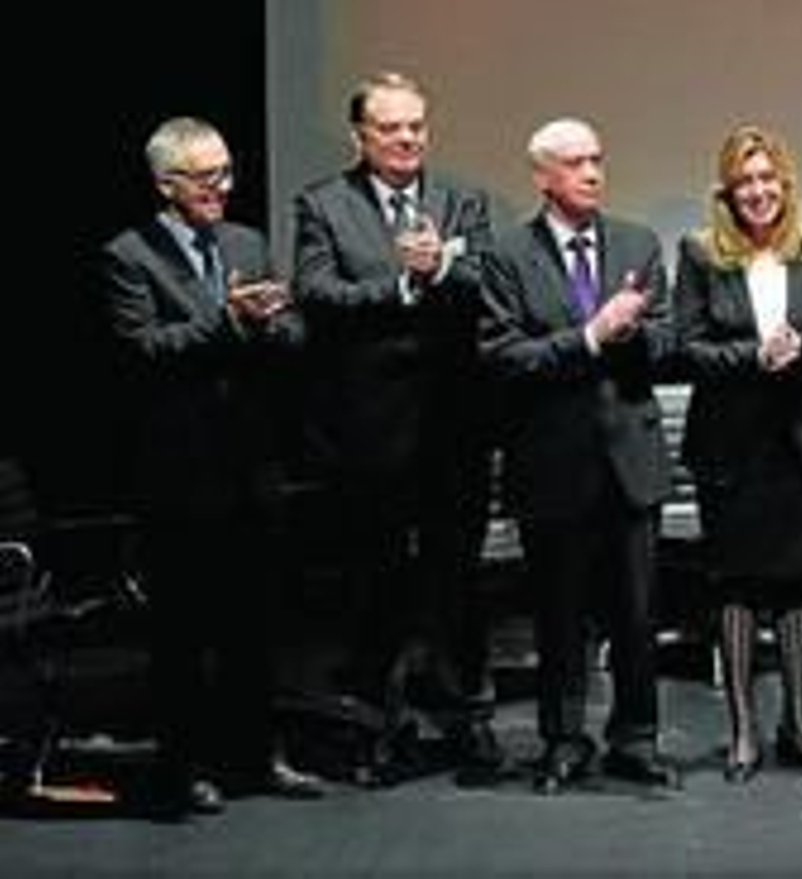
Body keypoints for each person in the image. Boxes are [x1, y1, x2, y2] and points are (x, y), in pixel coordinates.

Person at [101, 117, 324, 816]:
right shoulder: (129, 255)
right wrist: (226, 320)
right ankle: (184, 765)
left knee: (257, 623)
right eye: (205, 177)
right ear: (166, 183)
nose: (222, 188)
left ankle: (257, 753)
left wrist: (271, 320)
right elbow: (142, 351)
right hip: (180, 472)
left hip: (251, 466)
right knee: (183, 632)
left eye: (227, 173)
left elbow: (292, 334)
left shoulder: (246, 241)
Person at [291, 71, 502, 786]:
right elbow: (317, 292)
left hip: (454, 427)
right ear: (361, 136)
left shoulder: (461, 200)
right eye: (391, 127)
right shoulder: (323, 204)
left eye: (416, 124)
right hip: (368, 430)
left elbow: (491, 286)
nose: (408, 137)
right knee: (374, 582)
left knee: (459, 581)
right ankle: (375, 725)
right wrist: (403, 285)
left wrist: (443, 268)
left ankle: (466, 719)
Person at [479, 117, 679, 792]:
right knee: (559, 614)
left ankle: (637, 737)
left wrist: (629, 332)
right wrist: (592, 334)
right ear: (542, 176)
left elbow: (669, 340)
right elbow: (505, 358)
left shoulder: (637, 242)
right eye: (574, 162)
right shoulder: (507, 254)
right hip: (553, 461)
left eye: (597, 159)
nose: (592, 172)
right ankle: (564, 739)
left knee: (637, 613)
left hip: (630, 458)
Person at [673, 125, 802, 782]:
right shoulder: (700, 252)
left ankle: (800, 726)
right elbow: (683, 345)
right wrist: (751, 355)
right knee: (739, 586)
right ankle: (744, 730)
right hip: (732, 446)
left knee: (799, 587)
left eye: (767, 178)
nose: (757, 192)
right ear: (727, 191)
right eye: (744, 181)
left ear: (786, 183)